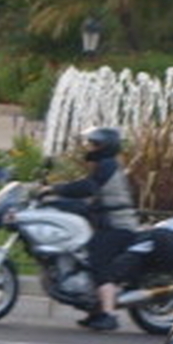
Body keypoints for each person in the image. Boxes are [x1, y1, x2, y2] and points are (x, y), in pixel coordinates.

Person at [48, 126, 136, 331]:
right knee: (84, 255)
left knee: (97, 259)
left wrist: (55, 189)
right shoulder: (105, 165)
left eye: (95, 144)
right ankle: (94, 309)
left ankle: (108, 314)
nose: (90, 147)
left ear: (106, 147)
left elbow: (87, 187)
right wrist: (56, 200)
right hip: (109, 224)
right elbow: (86, 197)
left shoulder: (107, 165)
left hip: (118, 226)